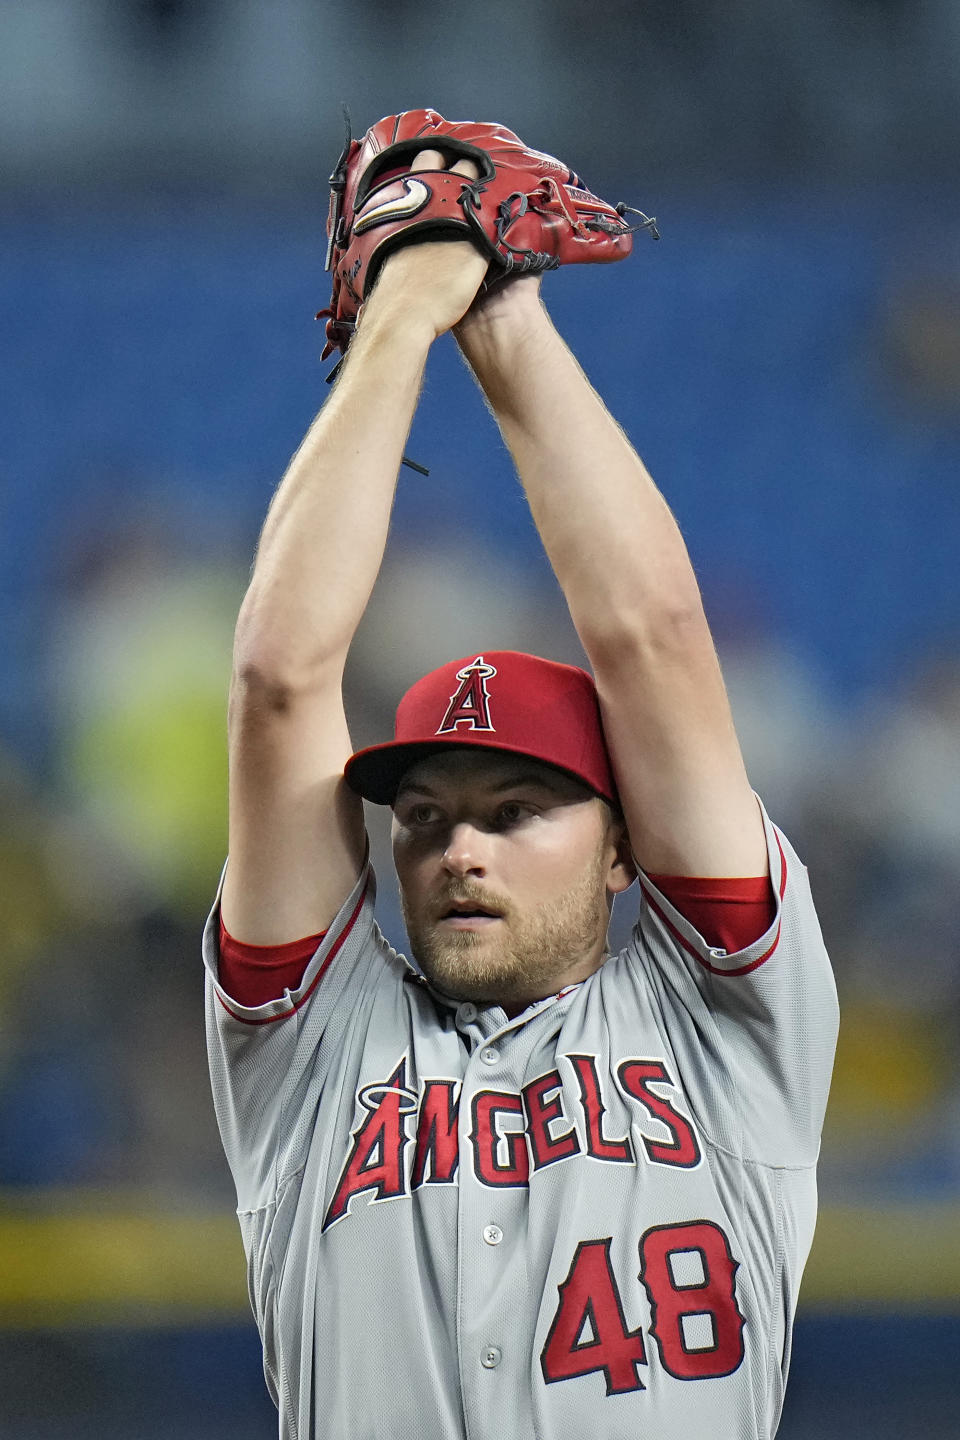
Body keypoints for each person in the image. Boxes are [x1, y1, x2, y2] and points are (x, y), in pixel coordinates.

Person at [204, 147, 838, 1439]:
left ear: (622, 848)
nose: (458, 849)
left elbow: (653, 635)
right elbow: (280, 679)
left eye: (517, 809)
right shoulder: (312, 1056)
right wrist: (401, 317)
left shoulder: (728, 1024)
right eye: (426, 815)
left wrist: (502, 315)